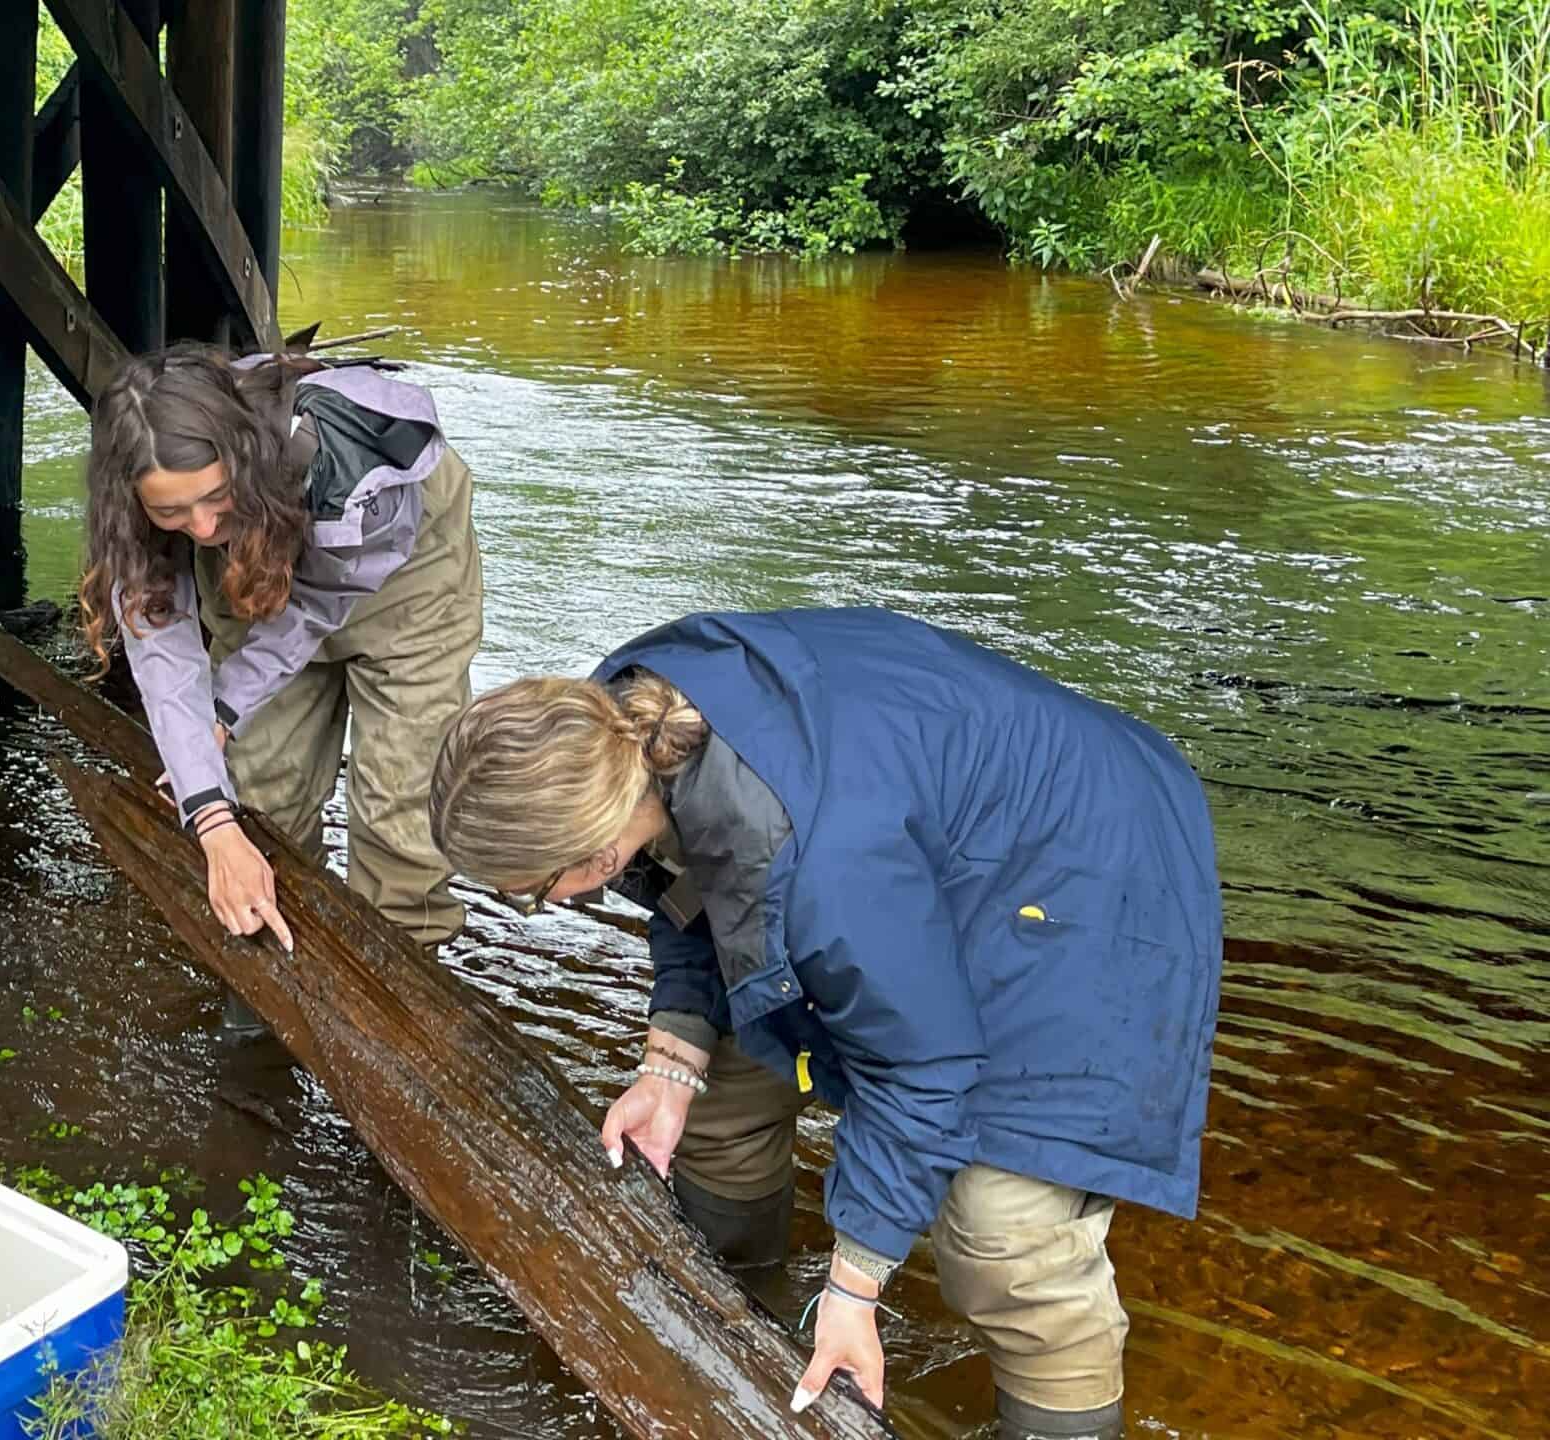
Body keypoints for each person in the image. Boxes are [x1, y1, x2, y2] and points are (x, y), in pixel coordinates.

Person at [426, 608, 1222, 1440]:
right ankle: (735, 1328)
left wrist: (855, 1287)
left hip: (1093, 869)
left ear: (591, 852)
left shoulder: (824, 861)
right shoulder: (617, 727)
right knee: (723, 1099)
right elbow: (690, 893)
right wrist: (672, 1059)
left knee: (1004, 1233)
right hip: (906, 825)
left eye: (529, 889)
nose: (535, 905)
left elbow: (923, 1069)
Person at [78, 343, 484, 964]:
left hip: (404, 575)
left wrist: (225, 706)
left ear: (239, 459)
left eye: (215, 497)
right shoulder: (149, 515)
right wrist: (212, 813)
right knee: (262, 786)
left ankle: (404, 964)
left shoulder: (353, 461)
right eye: (171, 512)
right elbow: (165, 663)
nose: (204, 529)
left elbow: (313, 612)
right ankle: (273, 949)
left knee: (403, 805)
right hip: (258, 568)